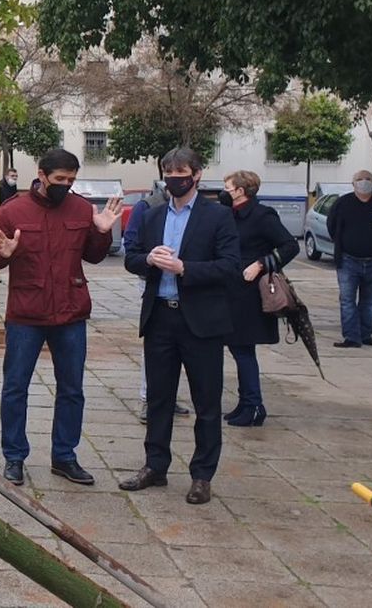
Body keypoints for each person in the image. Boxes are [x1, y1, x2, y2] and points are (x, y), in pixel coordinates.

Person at [0, 148, 121, 487]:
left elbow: (93, 255)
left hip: (71, 313)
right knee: (16, 387)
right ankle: (14, 457)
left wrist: (102, 231)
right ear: (42, 176)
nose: (66, 186)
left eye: (71, 180)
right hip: (26, 314)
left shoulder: (80, 208)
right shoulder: (13, 210)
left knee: (72, 389)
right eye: (60, 179)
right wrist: (3, 255)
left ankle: (65, 456)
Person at [120, 148, 240, 505]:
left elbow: (231, 267)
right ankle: (155, 465)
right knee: (159, 399)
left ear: (197, 174)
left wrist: (186, 268)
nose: (174, 177)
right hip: (160, 317)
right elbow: (131, 257)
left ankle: (202, 474)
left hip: (201, 322)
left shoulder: (217, 216)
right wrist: (148, 261)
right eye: (168, 171)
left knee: (206, 402)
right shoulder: (153, 214)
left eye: (182, 171)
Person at [219, 171, 298, 427]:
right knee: (238, 348)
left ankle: (253, 405)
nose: (224, 191)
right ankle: (247, 403)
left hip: (250, 294)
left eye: (228, 187)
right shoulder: (228, 214)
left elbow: (289, 245)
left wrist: (262, 264)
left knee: (243, 349)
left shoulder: (262, 215)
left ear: (241, 190)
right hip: (232, 290)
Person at [122, 189, 191, 424]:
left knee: (180, 350)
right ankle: (148, 399)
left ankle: (167, 397)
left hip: (189, 290)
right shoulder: (148, 206)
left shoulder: (201, 209)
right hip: (154, 287)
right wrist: (149, 261)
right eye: (172, 171)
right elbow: (131, 245)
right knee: (154, 349)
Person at [327, 170, 372, 348]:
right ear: (353, 183)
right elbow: (332, 225)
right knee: (347, 300)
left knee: (370, 302)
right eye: (360, 179)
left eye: (368, 179)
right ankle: (351, 337)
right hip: (348, 261)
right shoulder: (343, 203)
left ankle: (366, 334)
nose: (364, 182)